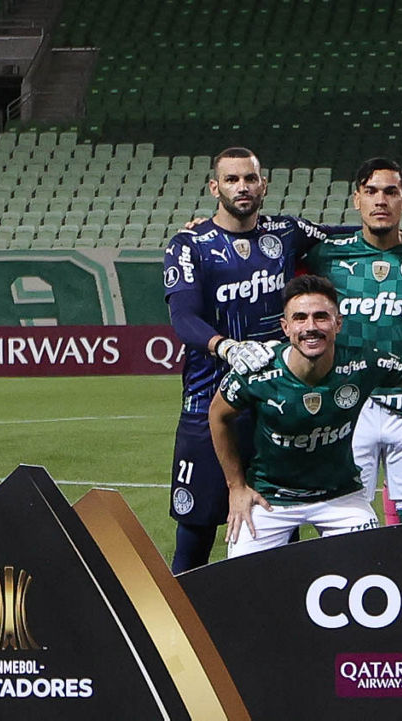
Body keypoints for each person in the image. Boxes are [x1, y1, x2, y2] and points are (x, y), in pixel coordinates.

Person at [209, 275, 402, 558]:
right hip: (270, 499)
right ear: (285, 327)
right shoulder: (258, 369)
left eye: (321, 317)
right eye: (300, 318)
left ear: (338, 323)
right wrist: (236, 487)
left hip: (341, 498)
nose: (310, 327)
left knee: (372, 568)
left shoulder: (361, 363)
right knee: (239, 576)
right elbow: (217, 415)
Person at [162, 146, 334, 572]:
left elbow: (347, 237)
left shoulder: (286, 232)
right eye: (232, 179)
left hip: (273, 404)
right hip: (207, 401)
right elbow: (183, 316)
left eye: (250, 179)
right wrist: (227, 347)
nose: (242, 187)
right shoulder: (189, 245)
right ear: (214, 187)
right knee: (197, 528)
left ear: (263, 185)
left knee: (280, 526)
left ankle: (279, 607)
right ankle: (179, 610)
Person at [305, 157, 402, 524]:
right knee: (345, 521)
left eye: (391, 192)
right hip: (349, 404)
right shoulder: (327, 255)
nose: (381, 200)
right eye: (370, 191)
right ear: (357, 199)